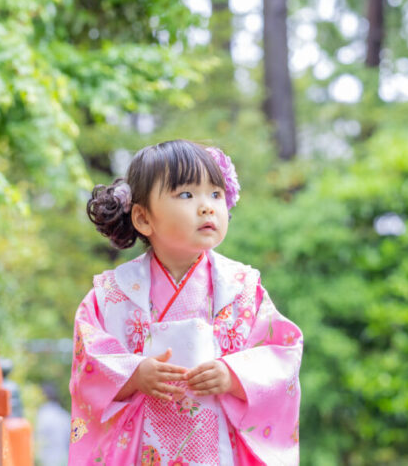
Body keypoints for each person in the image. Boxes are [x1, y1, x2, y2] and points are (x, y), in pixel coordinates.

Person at [69, 139, 303, 465]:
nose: (207, 206)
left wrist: (233, 375)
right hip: (141, 447)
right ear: (143, 218)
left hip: (219, 446)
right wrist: (134, 374)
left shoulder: (241, 288)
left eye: (216, 194)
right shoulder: (113, 293)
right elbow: (88, 363)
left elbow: (282, 352)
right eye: (187, 195)